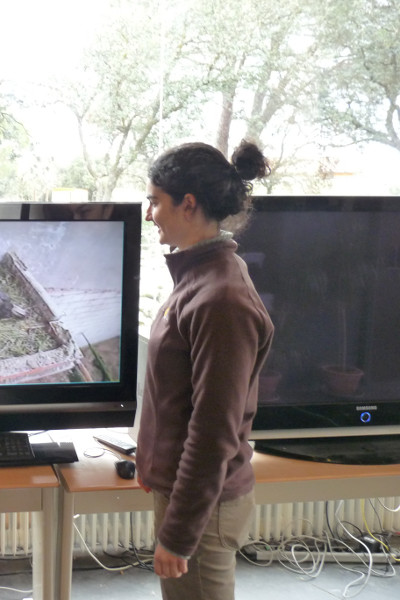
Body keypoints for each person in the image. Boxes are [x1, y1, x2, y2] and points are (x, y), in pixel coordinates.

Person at [135, 140, 274, 600]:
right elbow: (177, 394)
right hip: (185, 492)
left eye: (155, 200)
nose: (149, 212)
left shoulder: (221, 299)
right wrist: (149, 458)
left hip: (203, 507)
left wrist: (179, 534)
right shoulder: (199, 276)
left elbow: (214, 427)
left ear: (187, 204)